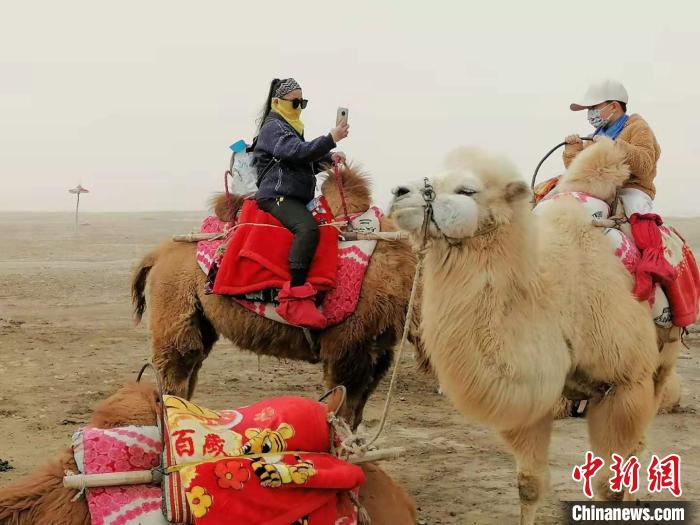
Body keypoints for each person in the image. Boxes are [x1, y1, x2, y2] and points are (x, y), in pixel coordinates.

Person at [253, 78, 349, 329]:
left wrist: (329, 158)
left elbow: (302, 158)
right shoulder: (273, 127)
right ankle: (294, 295)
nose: (299, 107)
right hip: (277, 195)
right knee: (307, 229)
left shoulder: (292, 127)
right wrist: (331, 138)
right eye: (296, 102)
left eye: (302, 102)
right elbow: (297, 151)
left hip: (295, 195)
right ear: (277, 102)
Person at [563, 78, 661, 215]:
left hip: (630, 190)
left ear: (614, 106)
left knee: (635, 214)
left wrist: (614, 147)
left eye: (593, 107)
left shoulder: (638, 128)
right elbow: (579, 173)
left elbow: (645, 165)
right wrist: (574, 149)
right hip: (599, 191)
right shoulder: (593, 138)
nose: (590, 113)